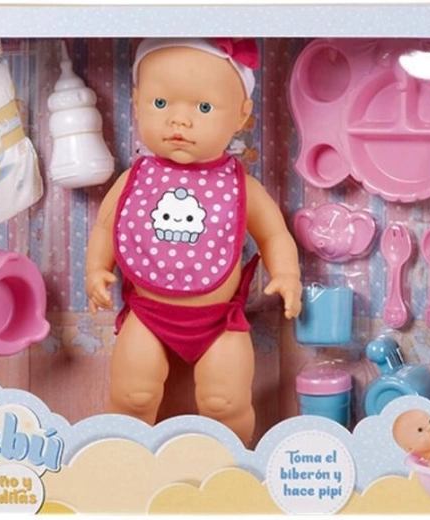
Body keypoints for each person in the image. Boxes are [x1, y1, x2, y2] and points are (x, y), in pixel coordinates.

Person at [85, 38, 302, 445]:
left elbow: (274, 234)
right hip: (147, 314)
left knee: (225, 402)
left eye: (203, 108)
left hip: (220, 321)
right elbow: (104, 228)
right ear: (136, 103)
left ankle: (232, 463)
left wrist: (287, 275)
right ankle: (124, 458)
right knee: (133, 395)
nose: (179, 121)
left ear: (242, 114)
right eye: (160, 104)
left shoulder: (240, 186)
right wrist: (97, 269)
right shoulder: (135, 180)